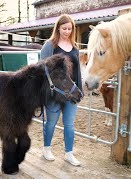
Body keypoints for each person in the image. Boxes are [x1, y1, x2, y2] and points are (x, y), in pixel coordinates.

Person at [40, 14, 83, 166]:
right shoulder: (49, 46)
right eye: (64, 28)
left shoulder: (75, 47)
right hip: (55, 92)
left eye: (70, 29)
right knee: (51, 122)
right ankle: (46, 149)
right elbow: (42, 69)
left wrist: (80, 90)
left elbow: (78, 72)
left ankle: (69, 153)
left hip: (71, 92)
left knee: (69, 124)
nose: (67, 32)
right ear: (58, 28)